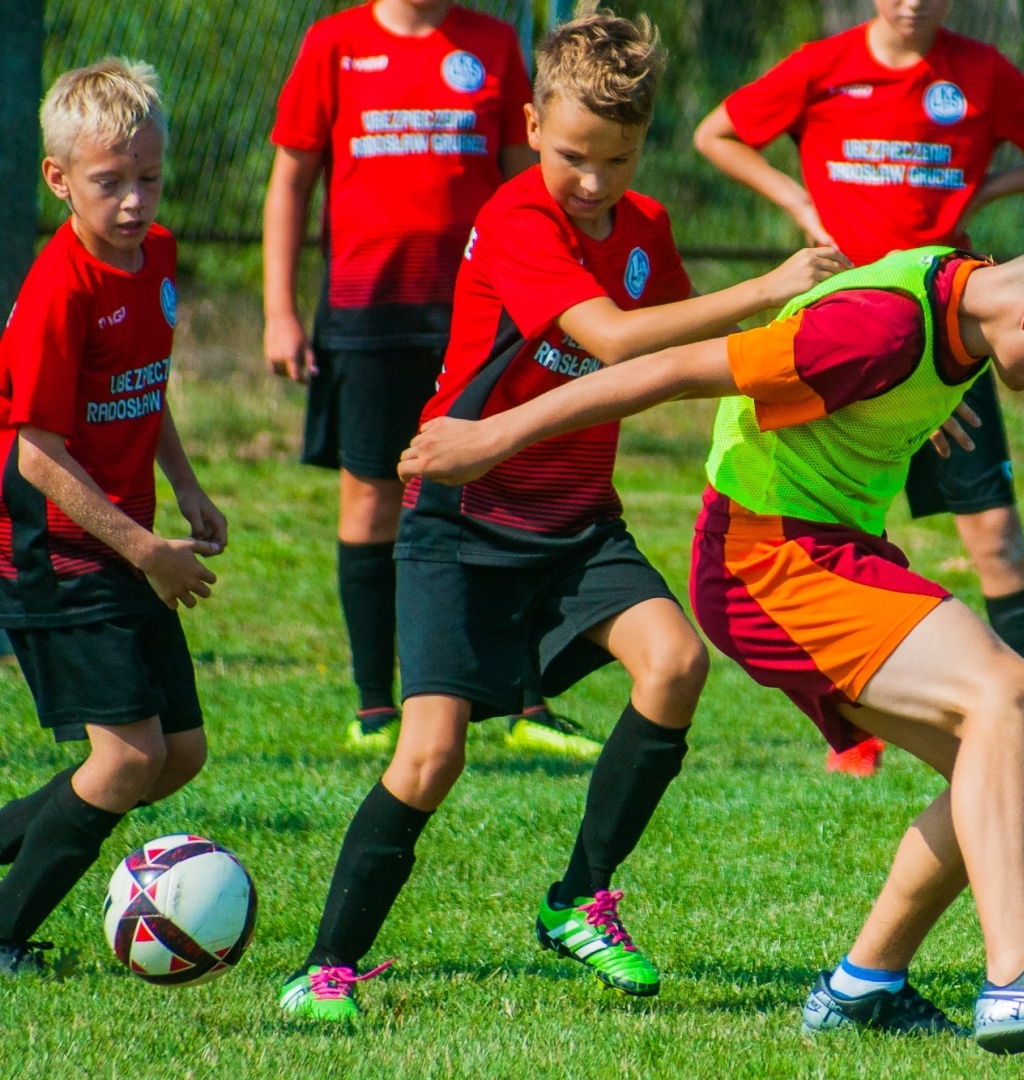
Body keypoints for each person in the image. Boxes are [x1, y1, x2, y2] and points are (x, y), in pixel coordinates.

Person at [400, 227, 1024, 1053]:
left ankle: (862, 988)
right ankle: (1021, 974)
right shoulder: (877, 331)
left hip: (823, 549)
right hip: (765, 557)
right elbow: (670, 370)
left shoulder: (962, 294)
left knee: (989, 763)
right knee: (1011, 692)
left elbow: (892, 327)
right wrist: (494, 435)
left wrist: (910, 411)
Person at [276, 7, 848, 1023]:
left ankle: (581, 897)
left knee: (675, 663)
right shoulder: (513, 219)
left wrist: (841, 381)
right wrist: (767, 288)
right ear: (533, 123)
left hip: (579, 523)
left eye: (618, 161)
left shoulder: (647, 230)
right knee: (429, 755)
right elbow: (620, 342)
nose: (593, 182)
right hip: (461, 520)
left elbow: (684, 365)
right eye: (575, 154)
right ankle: (324, 968)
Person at [694, 0, 1024, 782]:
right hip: (852, 338)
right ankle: (849, 728)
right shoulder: (822, 67)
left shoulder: (977, 73)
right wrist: (798, 204)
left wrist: (986, 192)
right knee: (823, 517)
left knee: (996, 538)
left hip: (955, 338)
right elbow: (713, 132)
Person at [264, 0, 573, 755]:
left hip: (478, 315)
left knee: (507, 489)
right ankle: (375, 704)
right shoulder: (333, 43)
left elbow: (524, 184)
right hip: (367, 311)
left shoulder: (495, 43)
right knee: (372, 498)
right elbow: (291, 181)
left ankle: (525, 705)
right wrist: (279, 309)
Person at [0, 60, 226, 976]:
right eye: (110, 182)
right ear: (59, 180)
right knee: (127, 761)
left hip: (129, 541)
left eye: (149, 178)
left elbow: (145, 384)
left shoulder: (157, 257)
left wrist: (187, 486)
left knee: (178, 755)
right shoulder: (60, 291)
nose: (133, 202)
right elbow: (34, 454)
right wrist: (148, 552)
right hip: (56, 553)